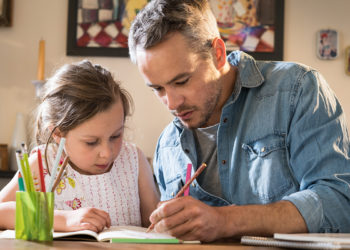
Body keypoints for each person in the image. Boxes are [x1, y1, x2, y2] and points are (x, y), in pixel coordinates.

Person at [128, 0, 350, 242]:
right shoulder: (167, 146)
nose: (171, 103)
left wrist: (225, 220)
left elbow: (339, 202)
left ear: (218, 54)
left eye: (182, 81)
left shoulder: (297, 89)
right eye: (158, 88)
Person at [0, 60, 159, 232]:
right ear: (58, 134)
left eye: (116, 136)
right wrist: (61, 219)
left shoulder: (134, 160)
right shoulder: (41, 163)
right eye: (91, 142)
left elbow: (154, 223)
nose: (107, 153)